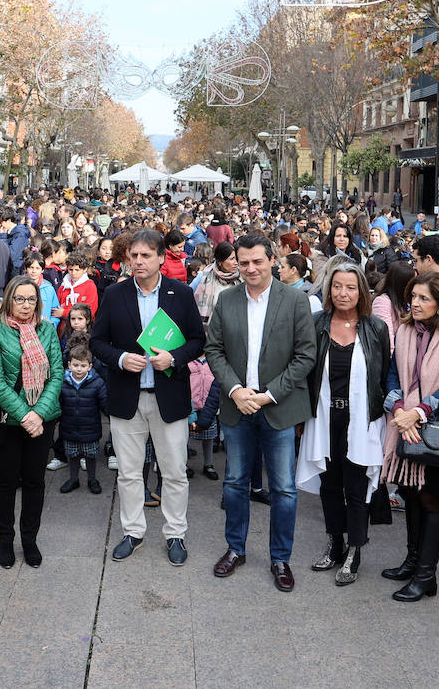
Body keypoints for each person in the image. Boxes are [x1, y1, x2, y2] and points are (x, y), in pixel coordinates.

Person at [205, 233, 317, 592]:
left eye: (257, 261)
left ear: (273, 260)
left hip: (278, 409)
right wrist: (236, 391)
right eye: (244, 261)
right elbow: (214, 350)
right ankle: (235, 549)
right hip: (238, 407)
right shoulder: (227, 300)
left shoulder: (296, 301)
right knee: (235, 483)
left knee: (283, 489)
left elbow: (305, 357)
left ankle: (280, 558)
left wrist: (268, 396)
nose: (250, 268)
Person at [90, 228, 206, 566]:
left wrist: (175, 358)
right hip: (127, 396)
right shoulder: (115, 293)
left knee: (174, 472)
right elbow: (98, 342)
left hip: (168, 396)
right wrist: (123, 359)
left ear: (160, 258)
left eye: (145, 255)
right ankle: (133, 531)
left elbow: (197, 340)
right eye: (134, 255)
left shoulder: (181, 293)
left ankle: (175, 535)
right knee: (128, 472)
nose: (138, 261)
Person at [295, 262, 387, 587]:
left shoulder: (375, 328)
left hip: (360, 420)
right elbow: (305, 369)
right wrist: (300, 416)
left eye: (350, 287)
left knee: (356, 487)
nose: (343, 293)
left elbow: (383, 376)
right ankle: (335, 542)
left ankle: (354, 550)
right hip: (324, 417)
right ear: (328, 289)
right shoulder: (317, 322)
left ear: (361, 291)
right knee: (329, 485)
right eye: (337, 287)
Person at [380, 273, 439, 602]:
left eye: (423, 299)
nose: (415, 304)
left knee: (432, 498)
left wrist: (415, 414)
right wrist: (400, 407)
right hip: (404, 423)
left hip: (432, 431)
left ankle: (425, 577)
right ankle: (412, 561)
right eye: (412, 297)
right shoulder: (404, 331)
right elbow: (391, 374)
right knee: (412, 494)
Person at [0, 275, 64, 568]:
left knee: (34, 482)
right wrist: (26, 415)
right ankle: (5, 540)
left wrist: (39, 413)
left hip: (43, 420)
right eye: (19, 299)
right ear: (8, 300)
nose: (26, 305)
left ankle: (29, 540)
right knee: (5, 482)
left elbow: (56, 374)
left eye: (31, 299)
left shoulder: (48, 330)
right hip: (9, 421)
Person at [58, 344, 107, 495]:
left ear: (90, 366)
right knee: (72, 455)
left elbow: (104, 402)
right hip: (69, 427)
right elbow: (57, 403)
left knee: (91, 456)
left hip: (90, 428)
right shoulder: (62, 383)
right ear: (69, 364)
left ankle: (92, 479)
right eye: (76, 365)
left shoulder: (97, 383)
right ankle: (74, 479)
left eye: (83, 365)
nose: (79, 369)